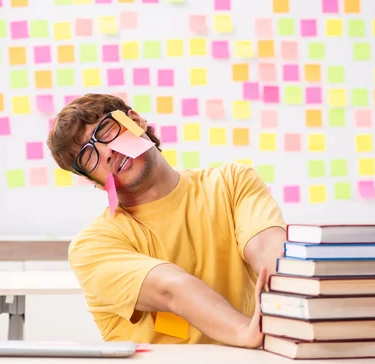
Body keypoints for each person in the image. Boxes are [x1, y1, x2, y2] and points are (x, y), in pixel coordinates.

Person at [47, 93, 287, 348]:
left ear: (136, 121)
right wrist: (243, 332)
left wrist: (305, 305)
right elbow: (171, 288)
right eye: (88, 156)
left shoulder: (232, 183)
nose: (106, 152)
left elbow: (267, 250)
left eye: (105, 130)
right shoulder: (92, 245)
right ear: (93, 181)